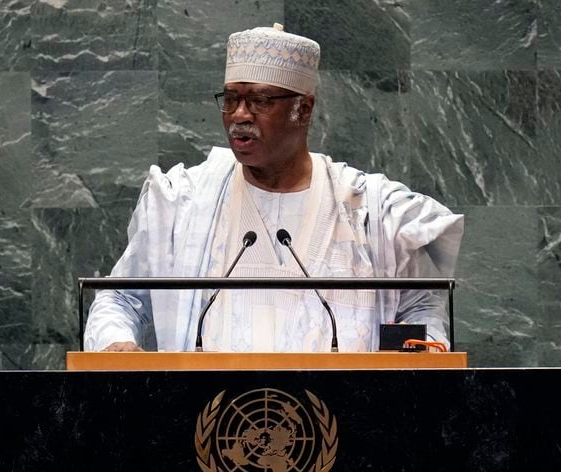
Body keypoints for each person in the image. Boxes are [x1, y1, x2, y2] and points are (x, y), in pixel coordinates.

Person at [84, 23, 464, 352]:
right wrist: (114, 342)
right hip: (208, 427)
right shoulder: (183, 201)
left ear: (304, 109)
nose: (239, 115)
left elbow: (419, 307)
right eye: (231, 99)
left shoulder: (370, 210)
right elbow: (120, 297)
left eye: (260, 100)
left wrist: (421, 353)